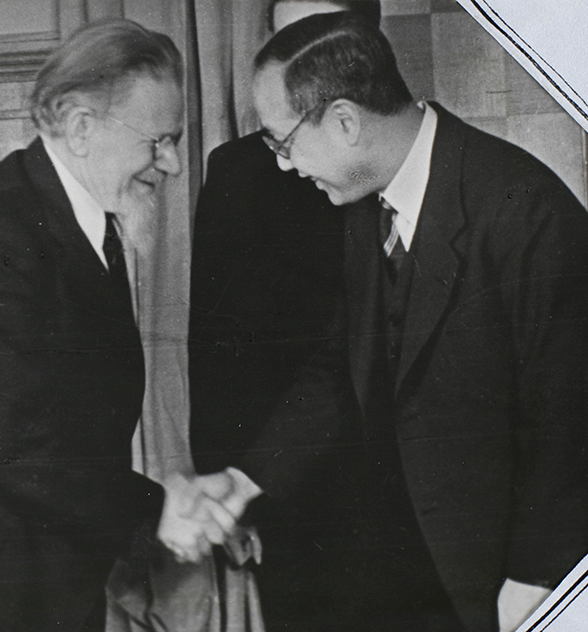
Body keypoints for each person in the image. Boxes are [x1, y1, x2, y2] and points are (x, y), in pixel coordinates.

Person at [0, 18, 249, 632]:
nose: (173, 164)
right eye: (160, 141)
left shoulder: (84, 221)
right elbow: (16, 444)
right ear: (80, 128)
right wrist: (159, 509)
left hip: (39, 574)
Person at [222, 12, 588, 632]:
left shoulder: (526, 214)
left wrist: (540, 582)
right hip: (416, 567)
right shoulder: (368, 205)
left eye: (282, 143)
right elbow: (343, 365)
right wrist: (246, 478)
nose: (284, 166)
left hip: (509, 583)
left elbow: (570, 423)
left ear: (344, 122)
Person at [188, 2, 379, 626]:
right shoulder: (240, 172)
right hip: (286, 490)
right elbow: (216, 347)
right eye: (289, 37)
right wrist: (235, 491)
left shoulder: (406, 161)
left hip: (405, 489)